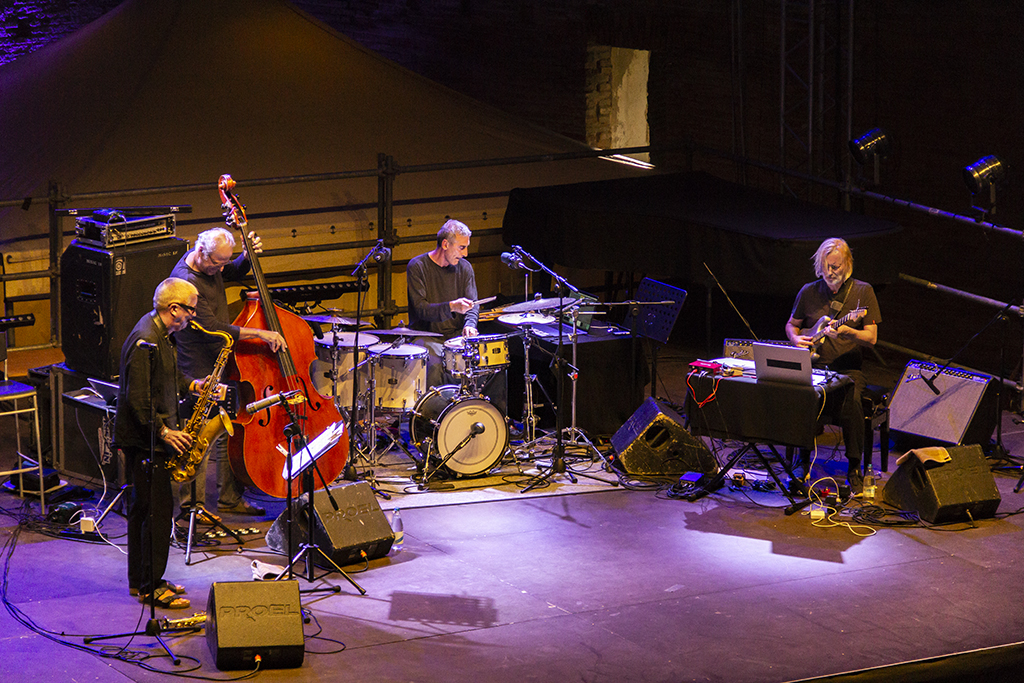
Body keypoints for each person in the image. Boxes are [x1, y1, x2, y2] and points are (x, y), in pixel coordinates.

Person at [170, 227, 286, 517]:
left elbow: (232, 271)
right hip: (196, 365)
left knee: (224, 431)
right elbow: (213, 329)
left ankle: (228, 498)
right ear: (201, 252)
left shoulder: (210, 265)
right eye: (218, 263)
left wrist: (246, 258)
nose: (221, 269)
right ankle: (190, 510)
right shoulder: (187, 282)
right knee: (197, 439)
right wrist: (261, 333)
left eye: (224, 262)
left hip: (219, 362)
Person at [115, 278, 200, 609]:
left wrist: (193, 385)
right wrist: (165, 432)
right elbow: (137, 400)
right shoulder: (145, 340)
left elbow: (167, 378)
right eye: (190, 310)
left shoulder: (162, 336)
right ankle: (151, 587)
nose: (192, 316)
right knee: (157, 513)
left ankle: (143, 580)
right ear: (174, 309)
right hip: (147, 442)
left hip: (151, 437)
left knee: (143, 511)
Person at [785, 237, 881, 493]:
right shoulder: (809, 291)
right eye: (826, 266)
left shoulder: (863, 292)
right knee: (800, 397)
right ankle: (801, 462)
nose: (830, 272)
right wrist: (796, 338)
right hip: (814, 367)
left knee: (852, 402)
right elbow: (792, 324)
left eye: (836, 267)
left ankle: (854, 467)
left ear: (847, 264)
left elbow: (871, 338)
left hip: (848, 368)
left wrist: (850, 333)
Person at [406, 219, 480, 389]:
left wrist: (469, 324)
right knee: (436, 363)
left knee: (489, 365)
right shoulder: (418, 266)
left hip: (456, 336)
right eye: (462, 247)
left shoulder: (465, 268)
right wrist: (452, 307)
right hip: (427, 336)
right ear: (445, 244)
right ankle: (435, 413)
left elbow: (473, 305)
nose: (465, 253)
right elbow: (421, 310)